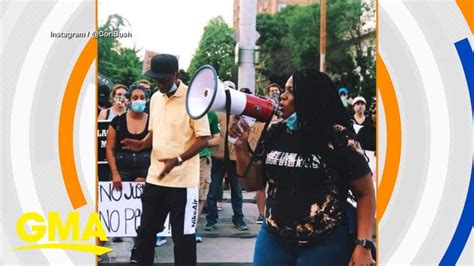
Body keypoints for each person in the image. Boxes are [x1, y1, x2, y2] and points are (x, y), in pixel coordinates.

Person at [230, 69, 376, 266]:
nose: (282, 96)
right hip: (273, 240)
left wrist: (363, 244)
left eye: (290, 91)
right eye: (284, 90)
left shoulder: (339, 138)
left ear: (309, 98)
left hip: (325, 243)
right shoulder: (276, 132)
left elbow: (365, 193)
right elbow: (252, 183)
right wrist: (240, 149)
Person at [121, 54, 210, 266]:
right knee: (145, 233)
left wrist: (178, 159)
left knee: (183, 238)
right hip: (155, 178)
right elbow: (155, 131)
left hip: (183, 183)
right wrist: (142, 144)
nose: (159, 84)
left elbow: (204, 139)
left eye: (164, 79)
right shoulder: (154, 98)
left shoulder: (194, 98)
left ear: (176, 75)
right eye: (156, 79)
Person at [105, 84, 151, 262]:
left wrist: (146, 175)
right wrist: (115, 173)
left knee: (141, 212)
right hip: (122, 170)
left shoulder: (153, 121)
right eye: (135, 98)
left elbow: (157, 147)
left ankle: (137, 249)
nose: (139, 101)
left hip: (145, 170)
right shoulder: (117, 122)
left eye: (142, 98)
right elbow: (109, 149)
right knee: (122, 211)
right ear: (129, 100)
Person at [205, 86, 249, 232]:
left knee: (236, 190)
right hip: (218, 158)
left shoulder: (241, 114)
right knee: (213, 189)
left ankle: (239, 218)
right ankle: (211, 219)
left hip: (234, 159)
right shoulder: (217, 113)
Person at [196, 111, 221, 243]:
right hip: (182, 159)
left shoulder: (211, 115)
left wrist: (202, 144)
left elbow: (217, 138)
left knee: (200, 195)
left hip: (202, 159)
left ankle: (192, 227)